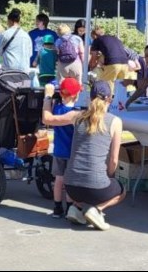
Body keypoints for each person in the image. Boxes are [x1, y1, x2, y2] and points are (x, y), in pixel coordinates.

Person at [43, 80, 125, 231]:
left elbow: (47, 119)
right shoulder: (115, 121)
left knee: (81, 184)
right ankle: (97, 209)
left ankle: (76, 208)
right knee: (121, 190)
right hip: (95, 187)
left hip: (71, 187)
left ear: (90, 97)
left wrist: (47, 97)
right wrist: (109, 176)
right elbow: (113, 160)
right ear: (110, 99)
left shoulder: (77, 115)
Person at [43, 76, 81, 218]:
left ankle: (57, 207)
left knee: (59, 180)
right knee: (70, 182)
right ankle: (70, 207)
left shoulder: (57, 108)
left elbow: (49, 110)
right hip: (71, 152)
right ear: (76, 95)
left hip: (58, 151)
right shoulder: (76, 113)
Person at [0, 8, 32, 73]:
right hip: (24, 71)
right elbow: (29, 54)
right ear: (19, 21)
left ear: (10, 21)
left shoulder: (5, 34)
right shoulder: (26, 36)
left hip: (9, 71)